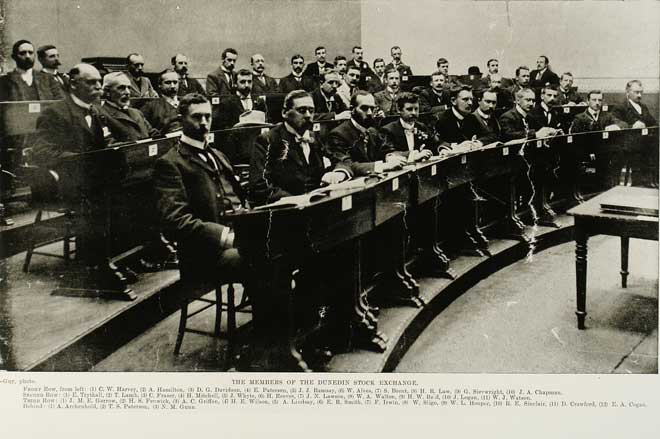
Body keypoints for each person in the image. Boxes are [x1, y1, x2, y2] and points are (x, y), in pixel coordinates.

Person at [249, 90, 351, 206]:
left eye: (311, 111)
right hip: (287, 211)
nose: (308, 115)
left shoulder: (314, 137)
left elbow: (342, 160)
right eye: (302, 110)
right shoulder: (268, 140)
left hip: (318, 204)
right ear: (284, 113)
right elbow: (259, 186)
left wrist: (339, 172)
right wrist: (296, 201)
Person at [325, 90, 404, 175]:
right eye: (364, 108)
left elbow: (384, 150)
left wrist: (390, 157)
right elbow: (346, 164)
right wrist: (382, 166)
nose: (370, 113)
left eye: (372, 108)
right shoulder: (338, 134)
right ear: (352, 109)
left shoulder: (372, 131)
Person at [99, 72, 159, 142]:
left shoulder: (137, 112)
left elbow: (153, 134)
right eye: (121, 88)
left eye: (129, 88)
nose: (128, 92)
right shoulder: (101, 115)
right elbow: (111, 145)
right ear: (107, 92)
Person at [380, 92, 441, 160]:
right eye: (409, 109)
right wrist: (413, 155)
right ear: (399, 110)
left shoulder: (421, 126)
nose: (414, 113)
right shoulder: (388, 130)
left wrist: (442, 149)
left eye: (416, 109)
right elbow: (389, 154)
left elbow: (437, 143)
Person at [434, 85, 481, 149]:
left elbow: (488, 135)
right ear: (453, 101)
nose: (470, 103)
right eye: (465, 99)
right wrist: (454, 146)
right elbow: (437, 142)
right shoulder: (441, 119)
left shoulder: (472, 118)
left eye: (471, 99)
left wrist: (477, 142)